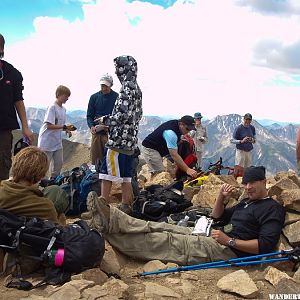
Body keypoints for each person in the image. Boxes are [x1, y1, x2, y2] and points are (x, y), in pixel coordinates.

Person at [83, 166, 285, 265]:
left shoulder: (272, 209)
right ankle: (112, 217)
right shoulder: (247, 201)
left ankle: (108, 231)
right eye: (246, 184)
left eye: (253, 184)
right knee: (163, 227)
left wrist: (229, 241)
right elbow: (217, 217)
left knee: (169, 242)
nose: (248, 188)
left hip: (229, 250)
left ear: (264, 182)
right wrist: (221, 198)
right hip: (215, 234)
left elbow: (265, 245)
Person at [96, 55, 142, 214]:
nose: (116, 72)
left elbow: (121, 116)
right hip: (131, 141)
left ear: (123, 70)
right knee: (126, 176)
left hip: (118, 141)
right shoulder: (137, 88)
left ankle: (102, 208)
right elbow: (137, 114)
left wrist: (105, 120)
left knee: (105, 174)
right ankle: (125, 206)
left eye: (118, 68)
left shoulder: (126, 88)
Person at [0, 146, 68, 224]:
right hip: (32, 233)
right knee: (55, 192)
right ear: (41, 176)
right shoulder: (45, 207)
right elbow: (56, 232)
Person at [0, 33, 34, 181]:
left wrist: (25, 127)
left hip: (3, 130)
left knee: (3, 165)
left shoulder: (12, 73)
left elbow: (18, 100)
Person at [37, 85, 75, 178]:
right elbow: (49, 125)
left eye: (68, 96)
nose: (67, 98)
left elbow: (58, 124)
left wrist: (66, 130)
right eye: (65, 96)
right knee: (44, 166)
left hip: (57, 142)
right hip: (47, 142)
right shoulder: (52, 107)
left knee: (58, 164)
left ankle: (53, 183)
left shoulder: (64, 109)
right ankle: (41, 185)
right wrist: (65, 126)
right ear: (58, 95)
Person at [86, 74, 118, 169]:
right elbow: (89, 116)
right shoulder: (94, 97)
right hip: (97, 132)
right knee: (96, 158)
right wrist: (91, 126)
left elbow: (118, 116)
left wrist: (109, 127)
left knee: (110, 158)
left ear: (111, 85)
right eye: (102, 85)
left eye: (106, 86)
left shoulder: (117, 97)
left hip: (111, 132)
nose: (104, 88)